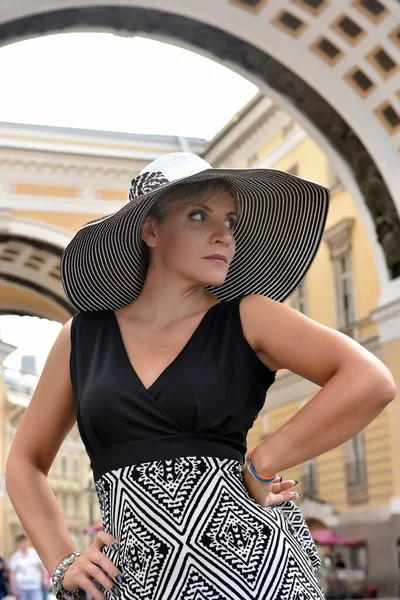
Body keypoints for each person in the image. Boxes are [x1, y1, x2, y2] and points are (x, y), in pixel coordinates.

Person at [5, 152, 396, 600]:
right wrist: (63, 561)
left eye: (229, 220)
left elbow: (370, 380)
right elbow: (24, 462)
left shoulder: (250, 317)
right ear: (150, 230)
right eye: (198, 215)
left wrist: (262, 460)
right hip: (134, 583)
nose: (223, 235)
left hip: (256, 575)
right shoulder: (83, 337)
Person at [9, 534, 46, 600]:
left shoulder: (34, 553)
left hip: (35, 586)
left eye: (25, 542)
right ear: (18, 544)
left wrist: (45, 580)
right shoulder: (15, 556)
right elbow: (12, 573)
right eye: (21, 543)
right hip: (21, 587)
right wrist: (13, 588)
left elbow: (42, 568)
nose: (24, 544)